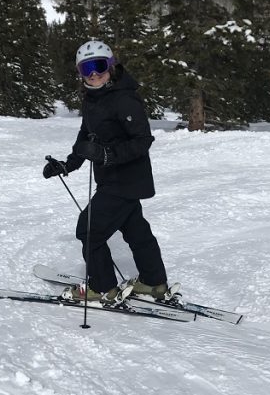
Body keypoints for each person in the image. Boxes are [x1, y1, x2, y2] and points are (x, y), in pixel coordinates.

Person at [42, 40, 177, 306]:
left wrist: (107, 155)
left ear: (111, 65)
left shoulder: (123, 98)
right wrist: (68, 164)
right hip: (118, 181)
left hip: (123, 180)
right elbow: (86, 138)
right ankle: (153, 283)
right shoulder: (94, 98)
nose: (93, 74)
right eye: (86, 69)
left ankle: (103, 288)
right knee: (137, 232)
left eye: (99, 66)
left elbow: (142, 140)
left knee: (88, 231)